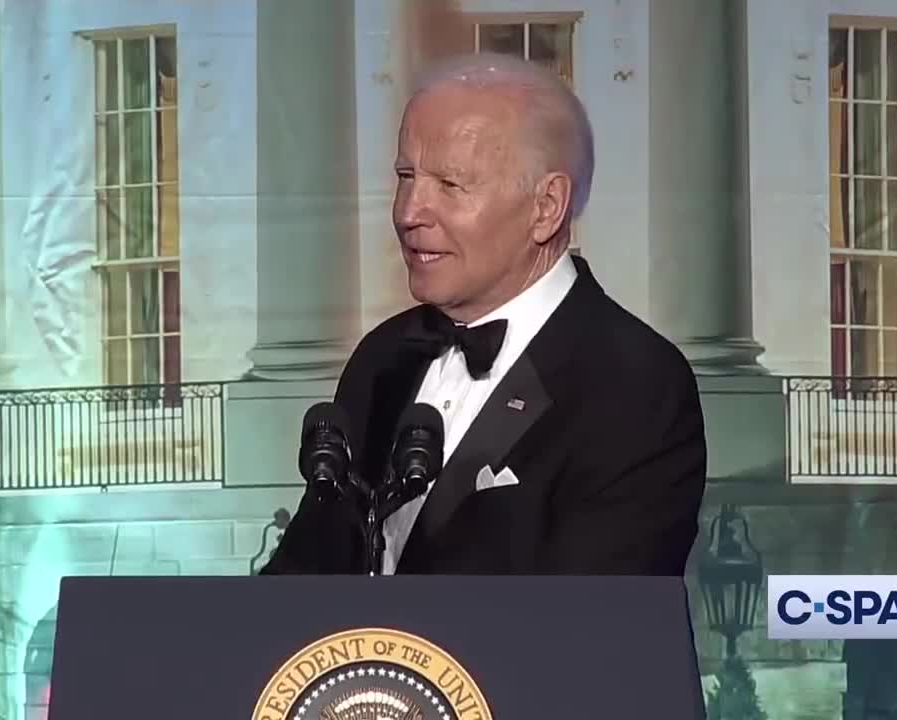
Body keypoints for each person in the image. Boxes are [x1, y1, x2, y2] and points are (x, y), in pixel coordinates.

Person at [262, 52, 706, 575]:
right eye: (406, 176)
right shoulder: (382, 358)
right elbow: (303, 577)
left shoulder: (635, 383)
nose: (408, 213)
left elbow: (591, 631)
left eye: (450, 185)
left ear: (546, 207)